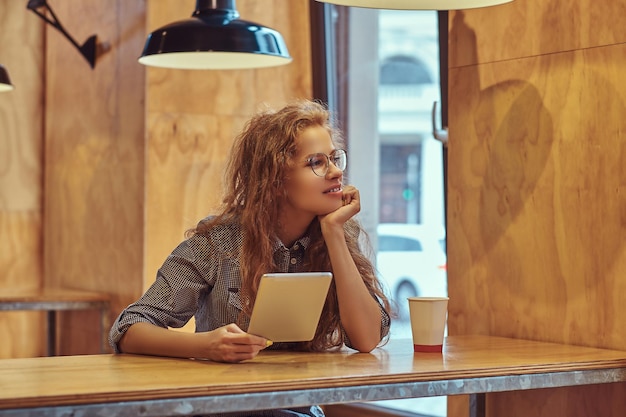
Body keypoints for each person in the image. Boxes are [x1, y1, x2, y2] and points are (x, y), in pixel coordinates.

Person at [109, 99, 391, 417]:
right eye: (317, 162)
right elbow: (128, 329)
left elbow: (367, 339)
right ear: (275, 181)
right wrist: (206, 347)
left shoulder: (335, 235)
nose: (336, 171)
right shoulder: (218, 242)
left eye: (335, 159)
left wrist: (334, 233)